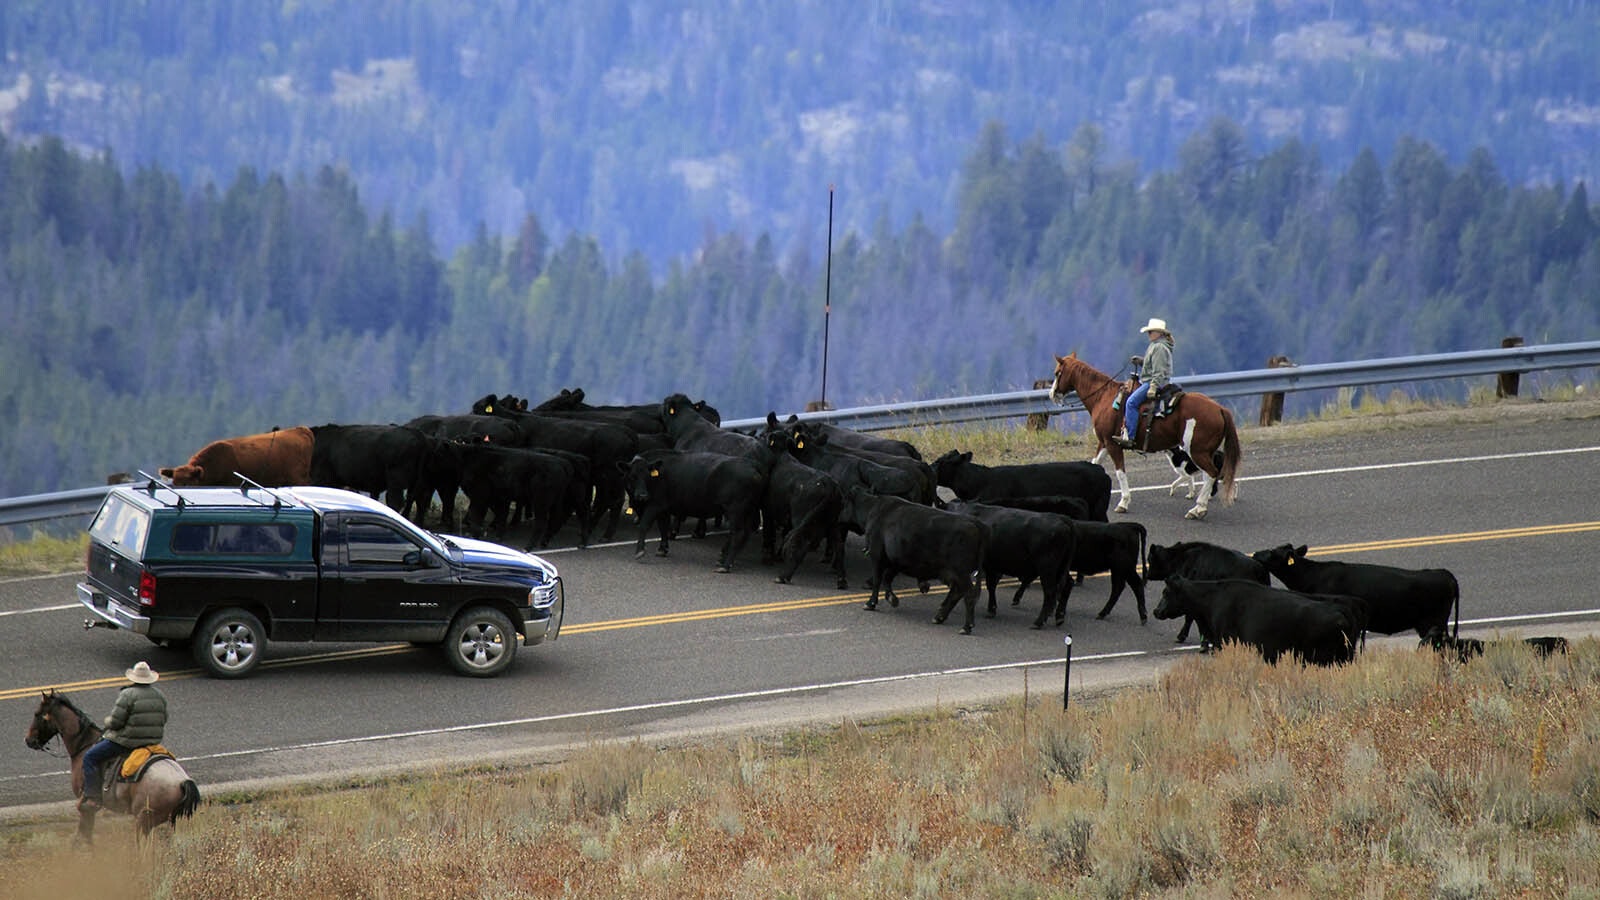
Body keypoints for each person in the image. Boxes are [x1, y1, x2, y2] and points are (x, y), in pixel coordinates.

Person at [78, 660, 167, 812]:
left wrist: (107, 721)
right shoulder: (160, 695)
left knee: (90, 757)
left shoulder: (127, 694)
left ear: (133, 678)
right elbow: (164, 718)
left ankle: (93, 798)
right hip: (152, 742)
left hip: (126, 742)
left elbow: (116, 722)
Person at [1112, 318, 1175, 449]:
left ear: (1159, 332)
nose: (1149, 334)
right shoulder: (1157, 345)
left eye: (1151, 331)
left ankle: (1130, 437)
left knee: (1131, 402)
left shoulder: (1158, 347)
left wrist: (1153, 387)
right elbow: (1152, 365)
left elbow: (1158, 371)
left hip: (1154, 382)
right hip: (1153, 381)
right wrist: (1141, 361)